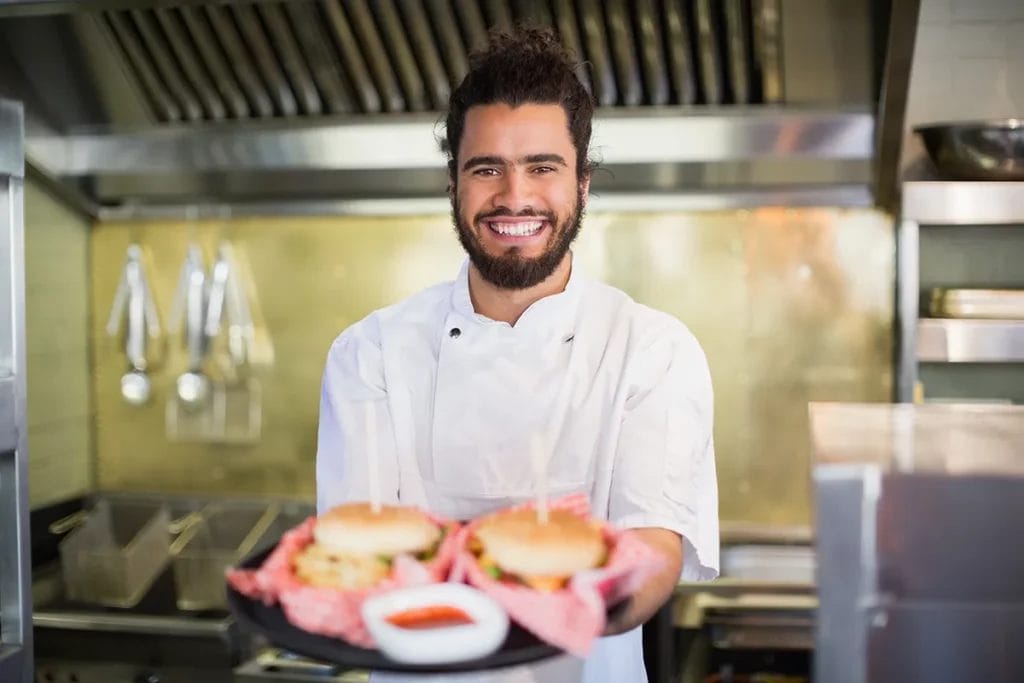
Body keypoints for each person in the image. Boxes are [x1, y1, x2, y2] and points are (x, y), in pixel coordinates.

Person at [316, 26, 719, 683]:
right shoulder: (370, 354)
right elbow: (354, 557)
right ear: (453, 183)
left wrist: (505, 595)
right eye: (486, 168)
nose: (514, 196)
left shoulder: (651, 351)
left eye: (542, 166)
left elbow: (651, 552)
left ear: (582, 183)